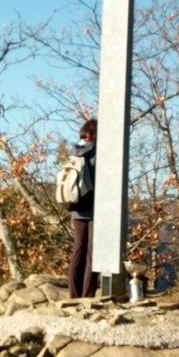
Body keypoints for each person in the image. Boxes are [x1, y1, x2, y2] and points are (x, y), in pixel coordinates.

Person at [67, 118, 98, 299]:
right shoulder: (97, 152)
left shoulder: (75, 152)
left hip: (76, 206)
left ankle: (74, 295)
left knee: (78, 250)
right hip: (94, 208)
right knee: (92, 254)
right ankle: (87, 296)